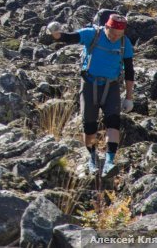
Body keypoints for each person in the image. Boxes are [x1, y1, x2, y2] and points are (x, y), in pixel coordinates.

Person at [46, 12, 135, 174]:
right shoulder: (92, 34)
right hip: (89, 84)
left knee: (113, 122)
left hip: (111, 86)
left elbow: (129, 71)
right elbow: (70, 37)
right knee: (89, 125)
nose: (115, 37)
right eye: (113, 33)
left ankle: (109, 161)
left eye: (119, 34)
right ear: (106, 27)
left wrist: (129, 97)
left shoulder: (124, 43)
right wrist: (56, 34)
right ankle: (92, 158)